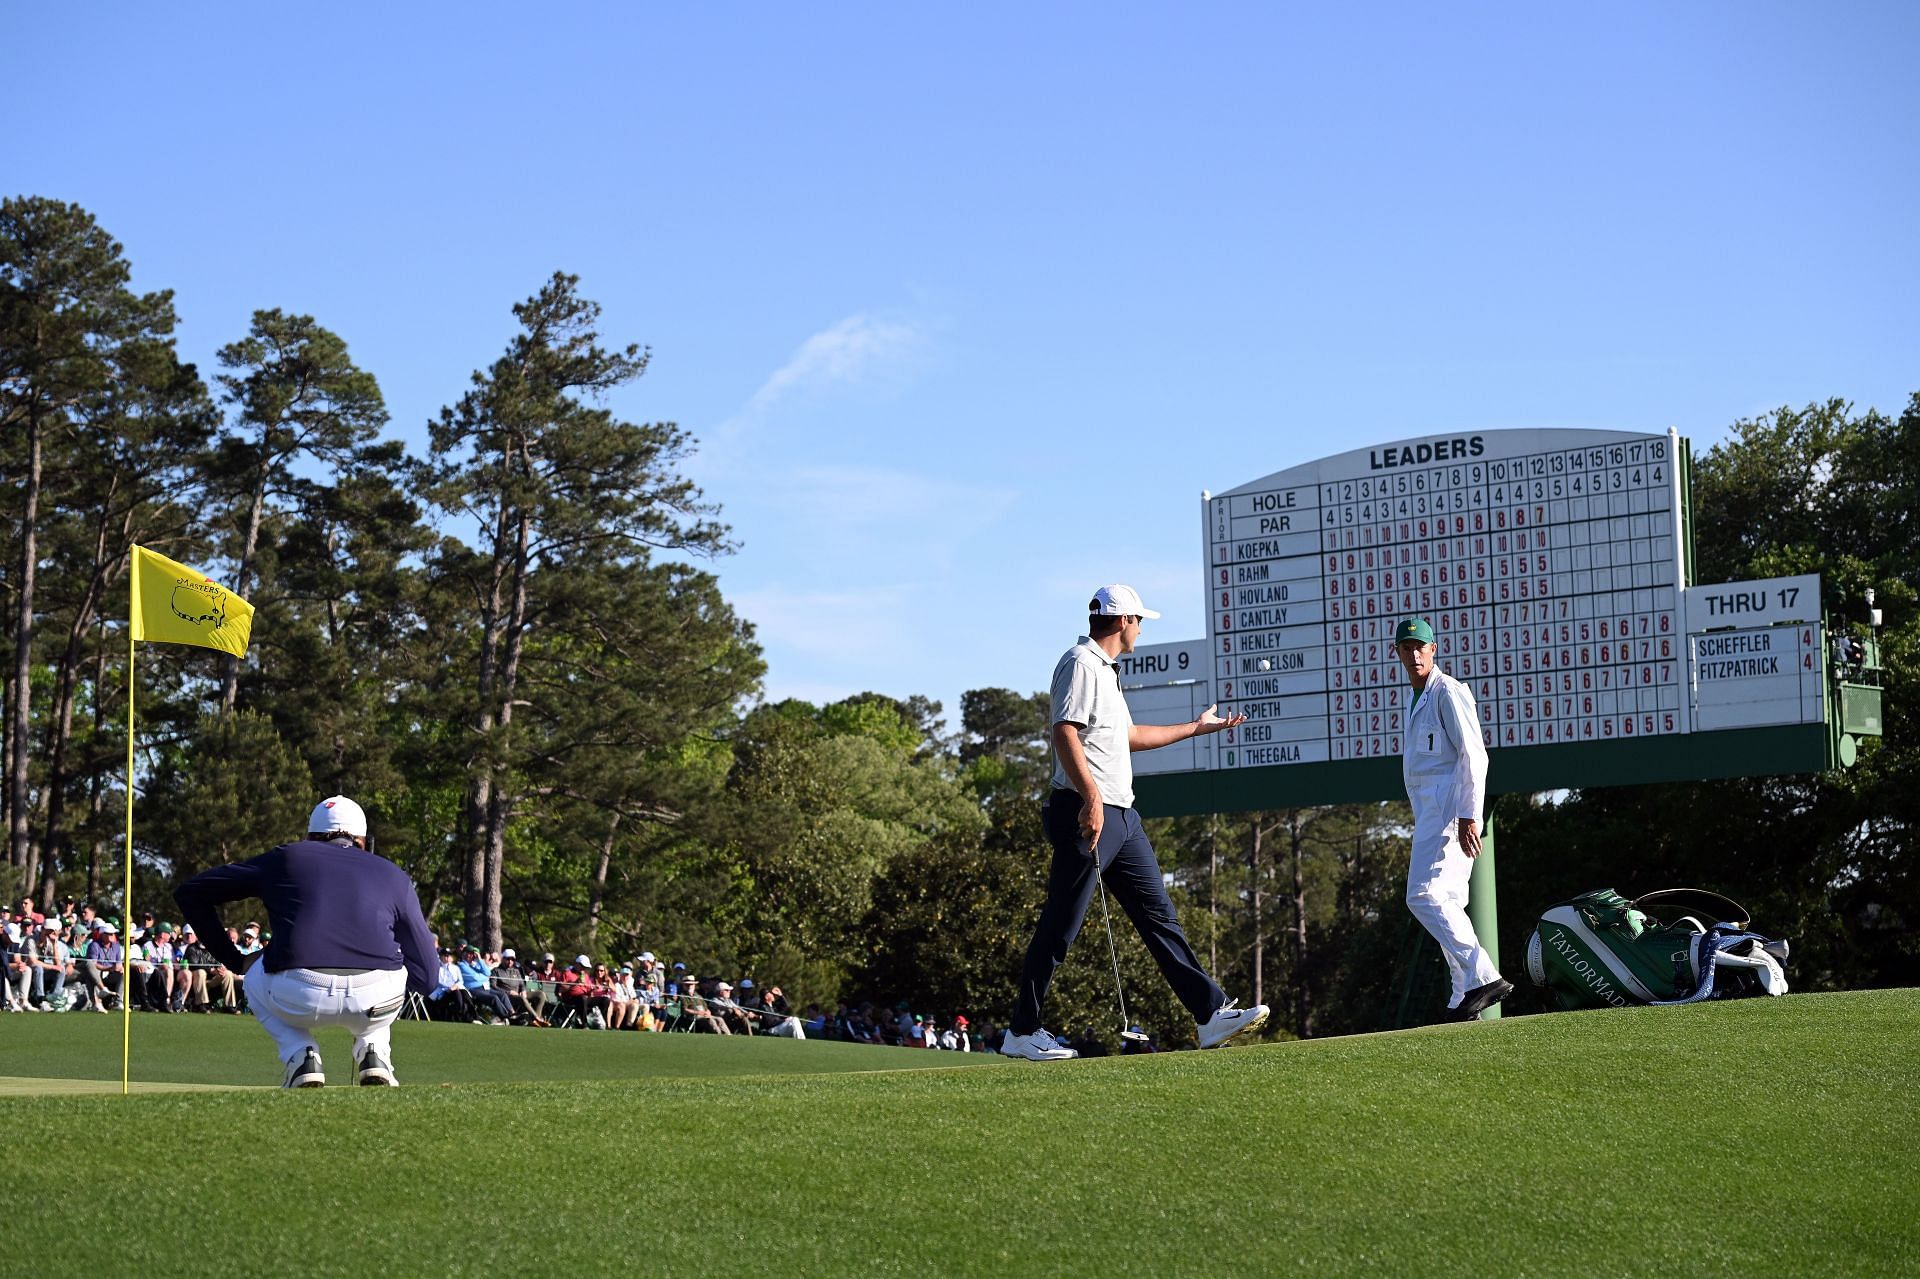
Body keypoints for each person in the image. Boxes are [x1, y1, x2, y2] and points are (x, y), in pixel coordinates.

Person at [1003, 584, 1270, 1060]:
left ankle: (1209, 1016)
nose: (1141, 629)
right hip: (1088, 813)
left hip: (1122, 818)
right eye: (1139, 621)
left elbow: (1127, 736)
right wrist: (1090, 798)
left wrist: (1196, 727)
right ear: (1123, 621)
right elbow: (1064, 731)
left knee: (1160, 919)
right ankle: (1022, 1031)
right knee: (1060, 926)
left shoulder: (1106, 671)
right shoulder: (1081, 663)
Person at [173, 795, 438, 1088]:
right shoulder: (394, 874)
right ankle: (374, 1051)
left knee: (253, 978)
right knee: (395, 970)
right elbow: (427, 977)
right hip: (375, 1001)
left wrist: (234, 959)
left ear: (310, 836)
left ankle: (301, 1055)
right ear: (362, 839)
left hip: (298, 995)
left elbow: (191, 892)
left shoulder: (286, 857)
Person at [1393, 617, 1515, 1021]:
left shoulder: (1448, 691)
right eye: (1406, 647)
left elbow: (1474, 755)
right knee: (1445, 903)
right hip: (1432, 815)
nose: (1413, 654)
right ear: (1397, 653)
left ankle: (1482, 975)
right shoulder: (1417, 698)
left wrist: (1469, 816)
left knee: (1423, 896)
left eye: (1420, 646)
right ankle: (1462, 995)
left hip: (1451, 813)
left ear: (1433, 650)